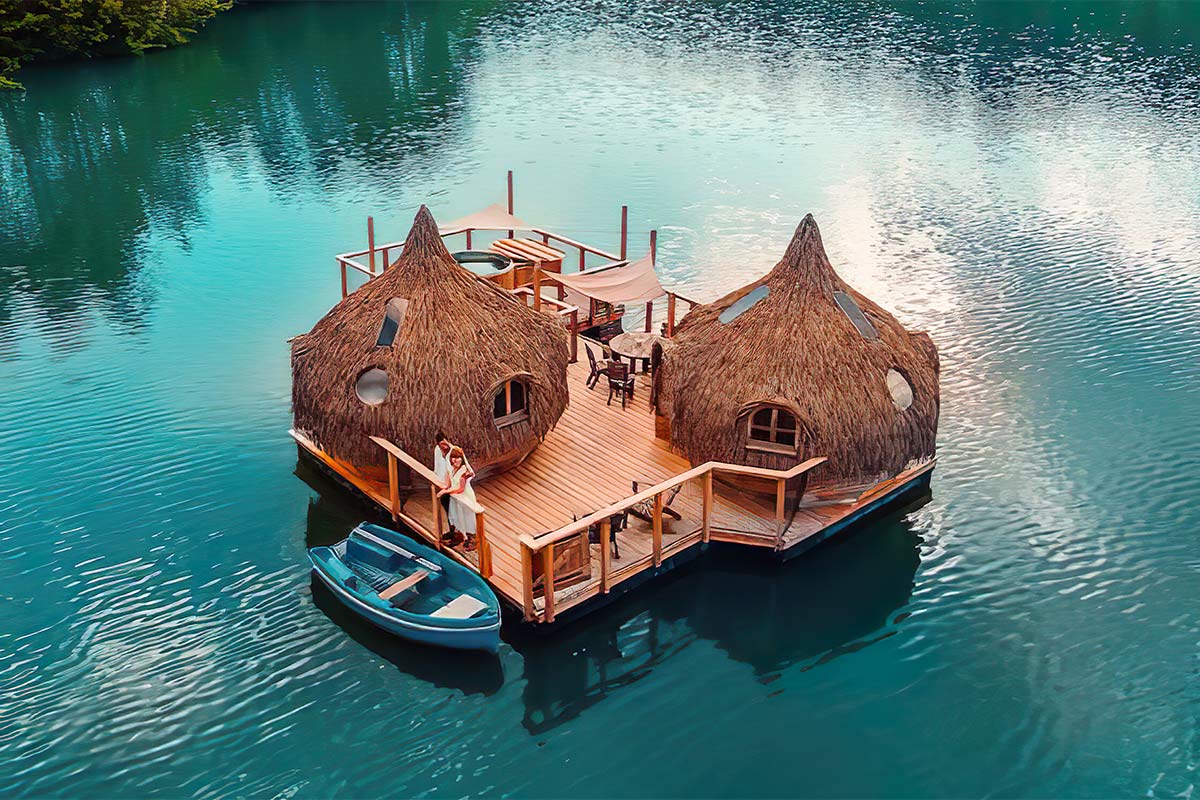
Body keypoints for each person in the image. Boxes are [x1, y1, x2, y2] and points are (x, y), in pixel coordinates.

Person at [438, 446, 478, 551]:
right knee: (457, 516)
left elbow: (460, 488)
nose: (456, 460)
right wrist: (445, 488)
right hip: (455, 496)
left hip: (464, 495)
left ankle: (472, 539)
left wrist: (446, 491)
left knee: (467, 517)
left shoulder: (464, 470)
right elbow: (448, 483)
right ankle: (459, 536)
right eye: (454, 458)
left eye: (458, 457)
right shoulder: (451, 470)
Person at [433, 430, 454, 537]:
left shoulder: (453, 452)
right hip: (442, 483)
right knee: (446, 505)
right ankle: (452, 530)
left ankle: (456, 532)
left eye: (445, 443)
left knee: (453, 508)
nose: (444, 446)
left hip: (451, 484)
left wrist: (447, 486)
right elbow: (438, 466)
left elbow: (450, 471)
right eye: (441, 444)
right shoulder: (437, 450)